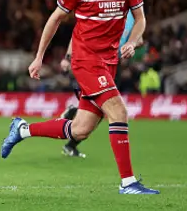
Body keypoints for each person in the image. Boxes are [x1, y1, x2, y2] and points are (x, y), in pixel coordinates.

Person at [1, 0, 159, 194]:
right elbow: (54, 20)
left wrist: (132, 41)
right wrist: (39, 57)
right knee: (119, 112)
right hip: (86, 61)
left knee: (81, 130)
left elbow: (140, 19)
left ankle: (22, 129)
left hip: (109, 62)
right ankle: (129, 183)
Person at [58, 11, 137, 158]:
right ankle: (70, 126)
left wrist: (131, 44)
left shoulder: (135, 13)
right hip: (95, 59)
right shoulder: (106, 4)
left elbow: (139, 38)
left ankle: (72, 126)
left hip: (115, 63)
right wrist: (68, 57)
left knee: (101, 110)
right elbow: (78, 32)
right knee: (101, 107)